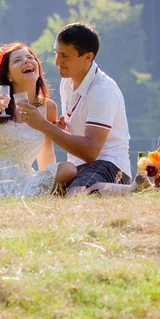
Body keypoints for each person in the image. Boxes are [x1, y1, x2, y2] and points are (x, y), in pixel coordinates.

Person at [16, 23, 136, 196]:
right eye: (56, 53)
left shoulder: (102, 90)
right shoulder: (67, 82)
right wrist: (60, 131)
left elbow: (90, 152)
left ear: (88, 57)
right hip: (78, 166)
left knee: (75, 194)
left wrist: (43, 125)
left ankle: (132, 191)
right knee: (44, 194)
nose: (57, 62)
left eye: (64, 56)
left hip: (109, 164)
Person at [0, 42, 77, 198]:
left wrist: (49, 181)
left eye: (30, 58)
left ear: (37, 69)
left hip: (22, 181)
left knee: (68, 169)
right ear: (9, 75)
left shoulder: (48, 107)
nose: (26, 61)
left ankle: (37, 196)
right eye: (17, 60)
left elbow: (46, 152)